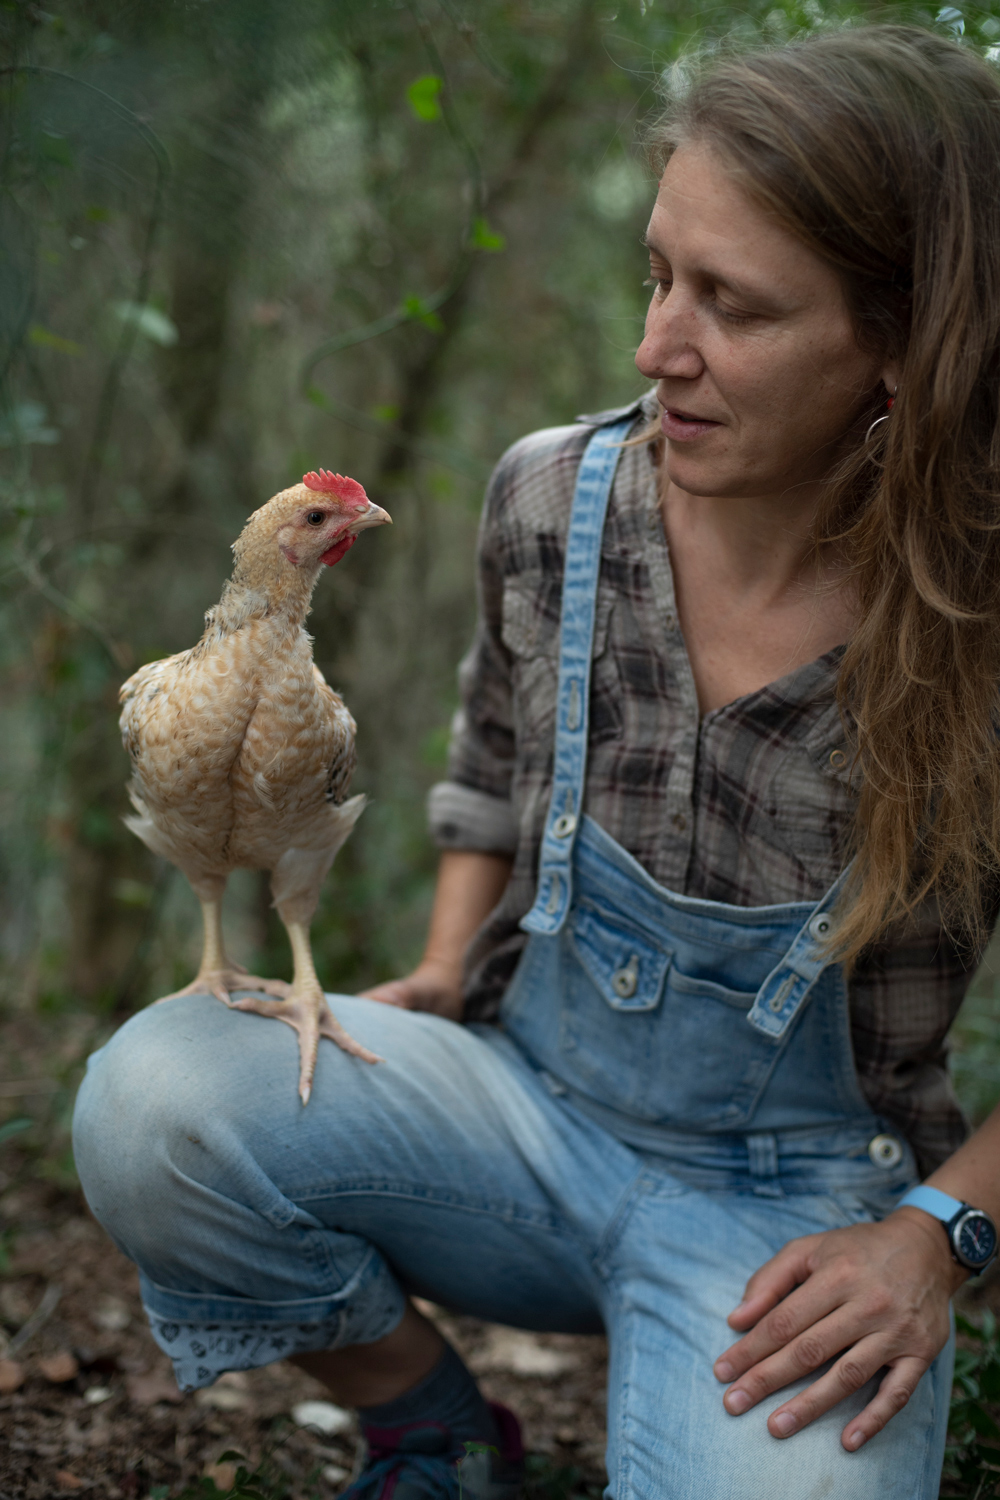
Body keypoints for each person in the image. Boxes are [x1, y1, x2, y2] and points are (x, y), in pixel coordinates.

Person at [72, 24, 1000, 1500]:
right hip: (517, 1112)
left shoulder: (977, 608)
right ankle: (432, 1430)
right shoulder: (553, 496)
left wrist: (938, 1240)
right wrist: (444, 971)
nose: (657, 348)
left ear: (900, 345)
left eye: (733, 307)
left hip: (794, 1223)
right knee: (152, 1099)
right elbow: (494, 757)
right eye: (658, 276)